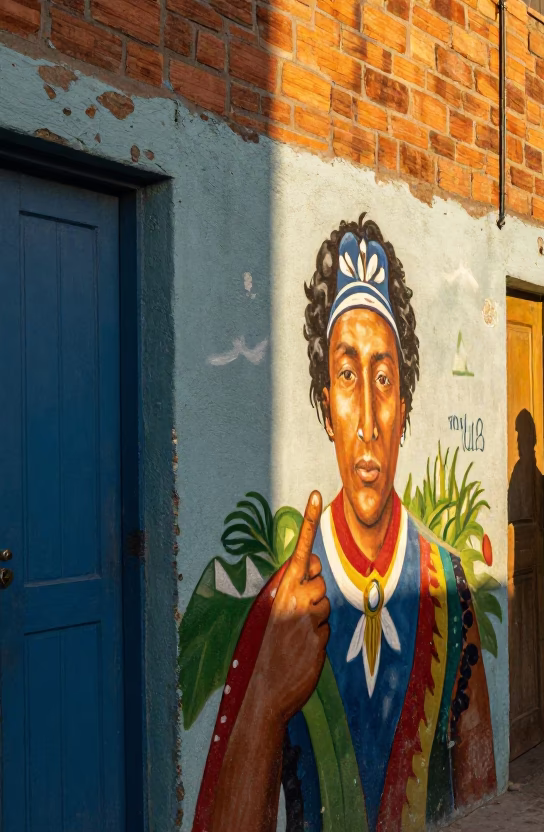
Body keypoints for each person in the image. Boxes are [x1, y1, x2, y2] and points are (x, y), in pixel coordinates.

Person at [193, 216, 495, 831]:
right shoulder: (285, 605)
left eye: (384, 380)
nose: (367, 420)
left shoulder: (447, 587)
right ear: (326, 406)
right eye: (347, 375)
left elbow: (479, 787)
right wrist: (267, 702)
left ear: (405, 408)